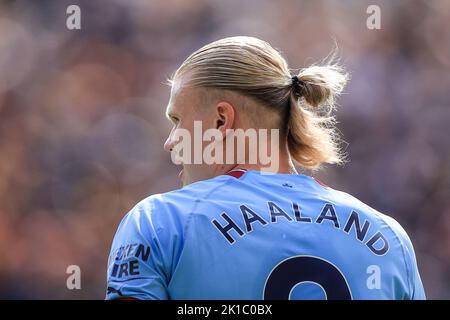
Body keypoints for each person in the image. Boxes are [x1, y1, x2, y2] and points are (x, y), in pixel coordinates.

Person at [105, 36, 425, 300]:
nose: (170, 142)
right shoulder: (389, 237)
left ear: (220, 120)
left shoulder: (160, 222)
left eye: (177, 120)